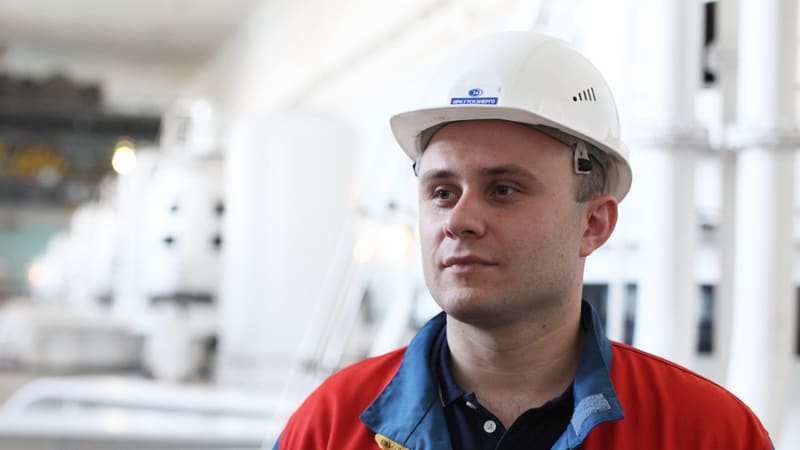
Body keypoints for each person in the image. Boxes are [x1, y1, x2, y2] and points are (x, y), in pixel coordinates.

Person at [273, 31, 772, 450]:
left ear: (593, 224)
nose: (460, 220)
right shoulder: (331, 427)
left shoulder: (705, 432)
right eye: (442, 192)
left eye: (504, 190)